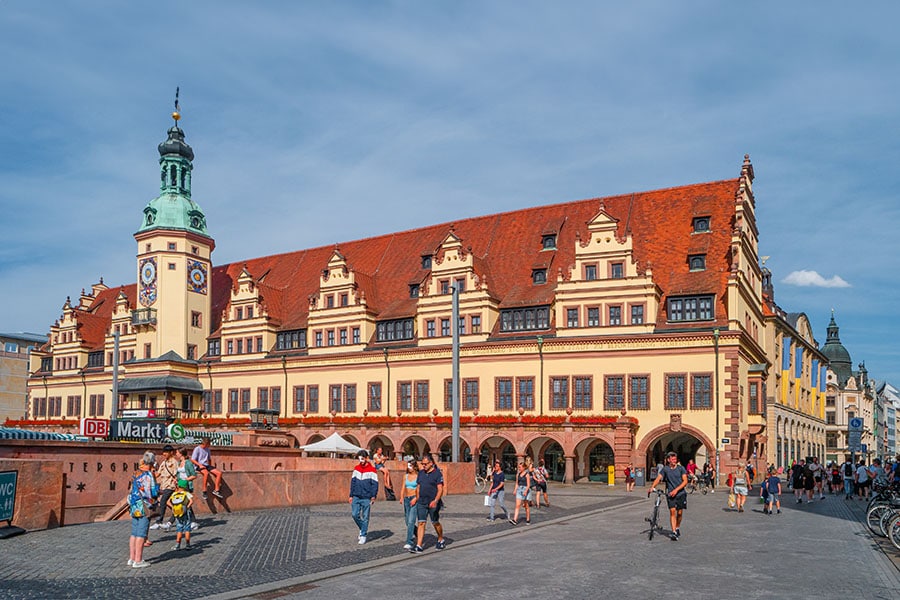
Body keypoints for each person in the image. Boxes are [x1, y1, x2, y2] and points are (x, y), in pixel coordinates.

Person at [127, 451, 158, 568]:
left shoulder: (136, 473)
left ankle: (132, 558)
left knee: (134, 532)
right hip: (144, 505)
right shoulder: (149, 475)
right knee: (141, 533)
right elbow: (152, 492)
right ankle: (138, 560)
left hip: (134, 505)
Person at [410, 453, 445, 553]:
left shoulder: (437, 473)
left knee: (435, 522)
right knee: (421, 522)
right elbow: (418, 487)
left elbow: (440, 489)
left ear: (431, 463)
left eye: (425, 464)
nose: (423, 466)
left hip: (433, 502)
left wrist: (435, 500)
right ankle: (419, 546)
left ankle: (440, 538)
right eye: (422, 464)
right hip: (422, 501)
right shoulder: (421, 473)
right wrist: (416, 498)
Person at [648, 451, 688, 540]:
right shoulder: (665, 469)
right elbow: (658, 478)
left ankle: (677, 527)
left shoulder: (681, 468)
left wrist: (676, 490)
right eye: (672, 459)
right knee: (672, 512)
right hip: (670, 494)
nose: (674, 460)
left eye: (675, 459)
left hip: (681, 493)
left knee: (680, 513)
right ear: (668, 460)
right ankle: (674, 532)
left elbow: (685, 481)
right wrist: (652, 487)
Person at [349, 449, 378, 545]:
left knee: (365, 517)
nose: (360, 461)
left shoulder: (372, 470)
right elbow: (353, 482)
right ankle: (362, 528)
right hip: (356, 495)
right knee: (354, 514)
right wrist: (351, 495)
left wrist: (373, 496)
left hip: (366, 497)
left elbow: (375, 484)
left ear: (366, 458)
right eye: (359, 459)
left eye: (362, 458)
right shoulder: (356, 468)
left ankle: (363, 535)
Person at [150, 444, 178, 531]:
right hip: (164, 485)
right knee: (175, 505)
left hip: (171, 486)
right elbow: (158, 474)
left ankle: (159, 522)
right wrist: (151, 472)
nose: (164, 454)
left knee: (163, 501)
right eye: (163, 452)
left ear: (171, 452)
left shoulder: (174, 462)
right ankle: (171, 522)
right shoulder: (164, 462)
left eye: (166, 452)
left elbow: (177, 474)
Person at [175, 446, 200, 530]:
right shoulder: (179, 463)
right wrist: (176, 480)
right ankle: (191, 520)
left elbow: (194, 475)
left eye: (177, 453)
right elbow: (178, 474)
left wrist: (186, 479)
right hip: (180, 485)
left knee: (185, 502)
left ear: (181, 453)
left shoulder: (188, 463)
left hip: (186, 485)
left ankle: (191, 521)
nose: (176, 454)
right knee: (183, 502)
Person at [167, 479, 194, 550]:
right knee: (187, 529)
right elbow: (191, 501)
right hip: (185, 513)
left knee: (179, 529)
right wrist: (187, 507)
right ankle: (188, 545)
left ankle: (177, 545)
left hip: (177, 513)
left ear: (178, 486)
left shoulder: (174, 494)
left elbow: (168, 502)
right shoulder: (186, 493)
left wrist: (173, 507)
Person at [400, 459, 419, 550]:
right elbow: (403, 487)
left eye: (410, 466)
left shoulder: (418, 476)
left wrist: (416, 498)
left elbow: (420, 489)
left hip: (414, 499)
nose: (409, 468)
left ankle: (409, 542)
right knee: (407, 521)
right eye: (408, 466)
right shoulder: (406, 476)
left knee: (411, 521)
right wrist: (401, 497)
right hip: (407, 499)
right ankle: (418, 532)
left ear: (414, 466)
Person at [509, 461, 531, 526]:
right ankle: (515, 520)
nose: (519, 468)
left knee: (526, 506)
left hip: (525, 490)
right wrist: (515, 490)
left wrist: (526, 491)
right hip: (519, 490)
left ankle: (528, 519)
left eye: (520, 467)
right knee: (517, 505)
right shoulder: (518, 475)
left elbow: (528, 484)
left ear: (524, 467)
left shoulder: (527, 475)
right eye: (518, 467)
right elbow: (517, 483)